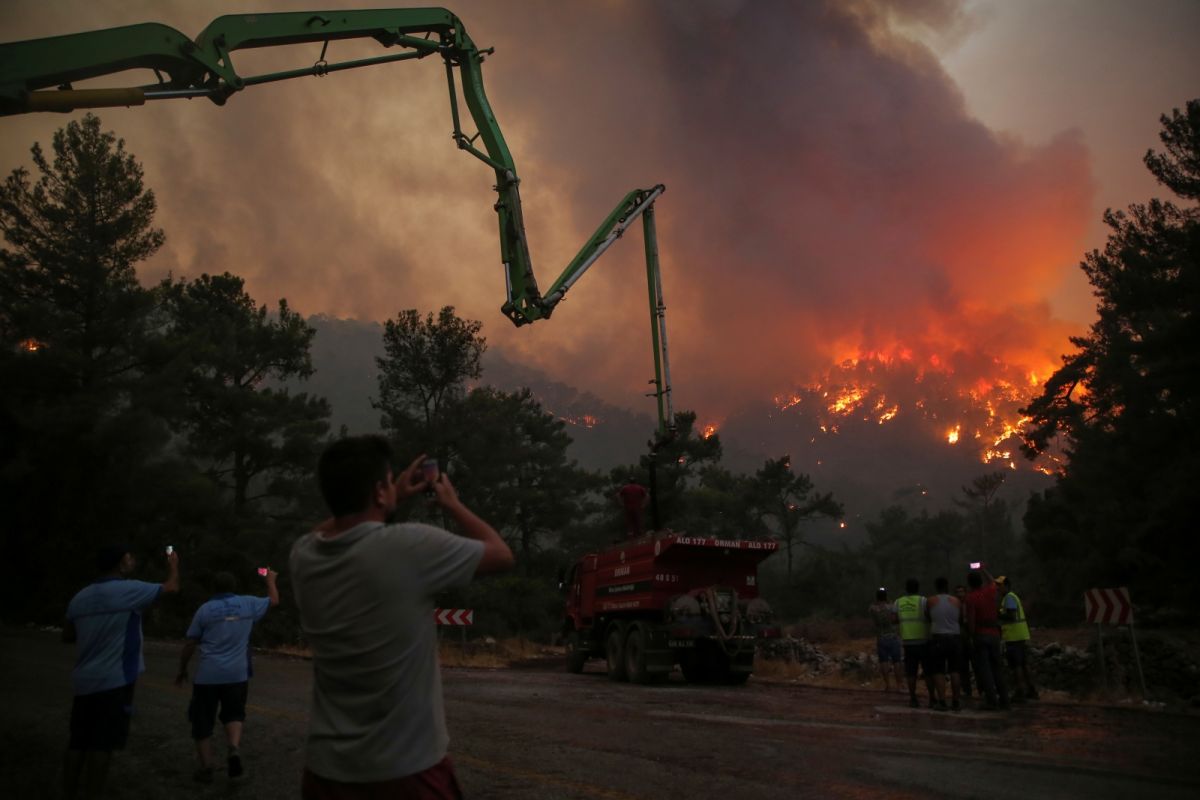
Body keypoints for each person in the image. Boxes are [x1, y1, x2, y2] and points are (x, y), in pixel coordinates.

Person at [291, 435, 514, 799]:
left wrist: (388, 493)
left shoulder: (303, 557)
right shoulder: (409, 546)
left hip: (326, 771)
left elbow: (323, 531)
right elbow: (501, 554)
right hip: (407, 771)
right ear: (379, 491)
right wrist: (453, 504)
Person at [63, 543, 180, 799]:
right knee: (102, 745)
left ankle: (69, 791)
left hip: (84, 680)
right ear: (119, 563)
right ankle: (94, 793)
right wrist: (174, 566)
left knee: (78, 741)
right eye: (129, 557)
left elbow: (68, 635)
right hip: (114, 680)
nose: (132, 560)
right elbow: (171, 587)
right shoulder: (129, 590)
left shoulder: (80, 597)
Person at [175, 568, 280, 783]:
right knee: (234, 714)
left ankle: (207, 767)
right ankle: (233, 747)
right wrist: (270, 579)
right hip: (237, 674)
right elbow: (274, 601)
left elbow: (190, 643)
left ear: (214, 588)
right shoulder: (249, 603)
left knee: (201, 720)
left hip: (208, 676)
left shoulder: (205, 610)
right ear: (234, 587)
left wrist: (182, 669)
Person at [965, 568, 1009, 710]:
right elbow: (992, 581)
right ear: (981, 581)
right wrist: (983, 569)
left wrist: (971, 636)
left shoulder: (971, 598)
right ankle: (1004, 699)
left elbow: (971, 620)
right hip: (994, 634)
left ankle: (991, 701)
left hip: (980, 634)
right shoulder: (990, 591)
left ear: (969, 584)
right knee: (997, 668)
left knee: (985, 670)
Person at [997, 576, 1039, 701]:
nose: (998, 588)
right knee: (1023, 664)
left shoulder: (1009, 597)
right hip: (1020, 635)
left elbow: (1011, 616)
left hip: (1013, 637)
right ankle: (1031, 691)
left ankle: (1020, 691)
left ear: (1007, 586)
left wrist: (997, 614)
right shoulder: (1011, 596)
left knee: (1016, 666)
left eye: (1000, 585)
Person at [893, 578, 932, 709]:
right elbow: (930, 616)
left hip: (908, 642)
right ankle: (932, 698)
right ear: (918, 588)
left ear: (906, 588)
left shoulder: (898, 602)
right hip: (924, 641)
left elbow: (894, 619)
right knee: (927, 671)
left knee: (911, 672)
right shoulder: (923, 601)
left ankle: (913, 698)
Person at [926, 577, 963, 712]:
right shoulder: (956, 601)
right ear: (947, 586)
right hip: (954, 637)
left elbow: (928, 617)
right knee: (955, 670)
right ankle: (956, 700)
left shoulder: (931, 601)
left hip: (938, 637)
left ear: (936, 587)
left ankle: (942, 701)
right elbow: (960, 618)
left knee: (938, 671)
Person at [868, 587, 903, 692]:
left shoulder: (873, 609)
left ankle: (887, 685)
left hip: (881, 637)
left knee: (884, 661)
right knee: (896, 661)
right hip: (893, 636)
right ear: (886, 596)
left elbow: (872, 611)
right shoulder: (891, 607)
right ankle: (899, 685)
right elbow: (896, 619)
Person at [954, 583, 975, 698]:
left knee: (976, 664)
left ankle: (981, 689)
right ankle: (967, 690)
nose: (960, 594)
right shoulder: (954, 605)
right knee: (963, 666)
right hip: (960, 638)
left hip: (970, 636)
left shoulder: (969, 602)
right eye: (958, 592)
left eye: (961, 591)